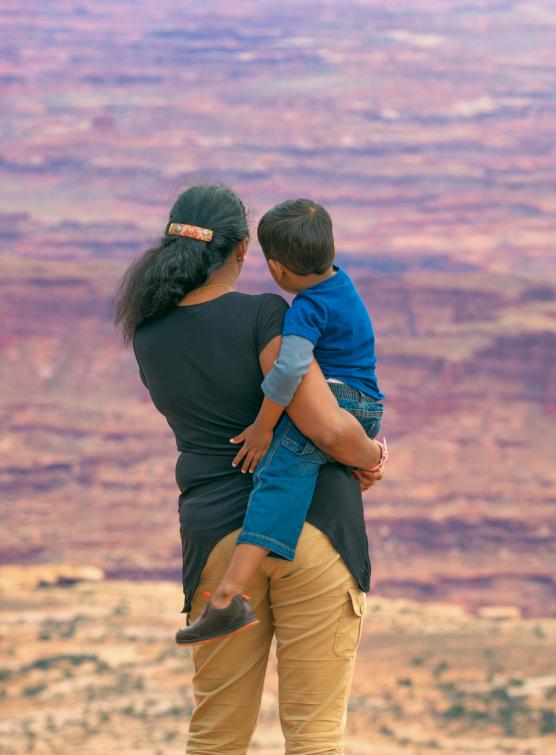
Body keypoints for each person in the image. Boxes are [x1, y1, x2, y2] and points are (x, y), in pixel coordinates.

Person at [114, 183, 384, 753]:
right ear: (241, 252)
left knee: (216, 736)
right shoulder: (264, 314)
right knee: (314, 736)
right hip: (315, 530)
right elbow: (326, 426)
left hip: (215, 536)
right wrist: (371, 457)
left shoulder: (147, 334)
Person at [177, 197, 387, 645]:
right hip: (363, 402)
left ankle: (229, 594)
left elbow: (290, 370)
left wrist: (263, 426)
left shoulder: (308, 309)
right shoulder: (340, 282)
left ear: (276, 268)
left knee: (277, 472)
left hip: (343, 400)